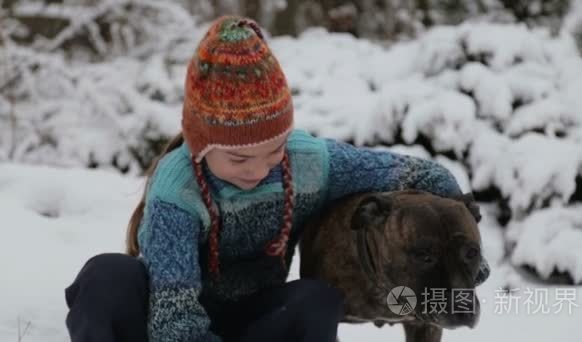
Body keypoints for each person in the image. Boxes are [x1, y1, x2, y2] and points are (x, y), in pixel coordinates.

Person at [63, 15, 490, 342]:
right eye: (238, 158)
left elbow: (414, 174)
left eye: (273, 150)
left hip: (254, 314)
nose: (258, 169)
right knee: (106, 277)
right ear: (200, 146)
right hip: (166, 316)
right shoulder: (178, 188)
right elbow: (175, 313)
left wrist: (466, 253)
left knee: (317, 300)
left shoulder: (306, 161)